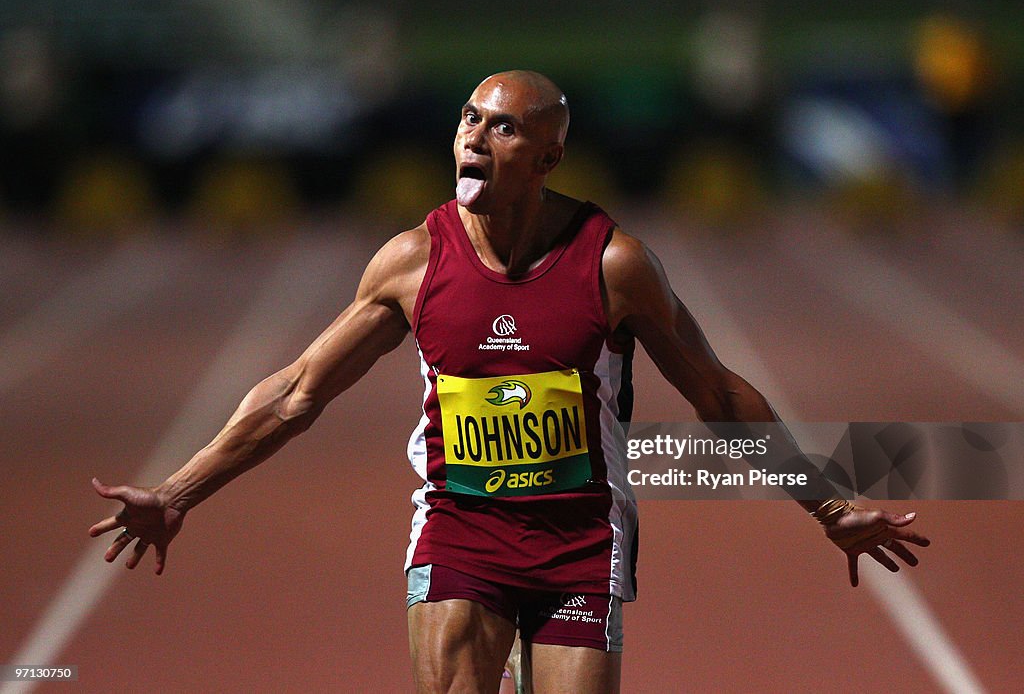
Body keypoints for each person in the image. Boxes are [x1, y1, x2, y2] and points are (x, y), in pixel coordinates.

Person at [90, 70, 930, 693]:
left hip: (578, 540)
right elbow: (297, 391)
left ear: (549, 155)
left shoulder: (615, 266)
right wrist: (180, 492)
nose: (472, 137)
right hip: (461, 528)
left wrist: (828, 507)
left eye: (500, 128)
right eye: (466, 119)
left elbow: (717, 395)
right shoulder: (413, 263)